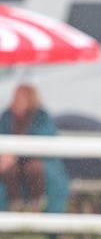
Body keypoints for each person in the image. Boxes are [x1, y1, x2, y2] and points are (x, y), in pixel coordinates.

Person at [0, 84, 71, 216]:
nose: (15, 100)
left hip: (38, 163)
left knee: (34, 168)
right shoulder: (7, 117)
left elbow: (43, 142)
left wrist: (13, 155)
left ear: (29, 99)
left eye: (19, 97)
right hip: (15, 166)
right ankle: (17, 206)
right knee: (10, 170)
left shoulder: (41, 117)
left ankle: (36, 206)